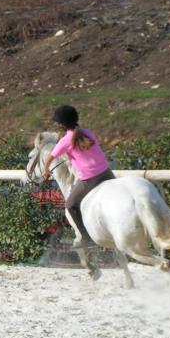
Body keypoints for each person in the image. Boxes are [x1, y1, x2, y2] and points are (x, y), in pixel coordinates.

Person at [41, 105, 115, 247]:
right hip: (106, 171)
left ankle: (85, 237)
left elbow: (49, 158)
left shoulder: (65, 141)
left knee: (70, 205)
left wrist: (45, 171)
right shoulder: (88, 132)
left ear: (62, 124)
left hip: (90, 178)